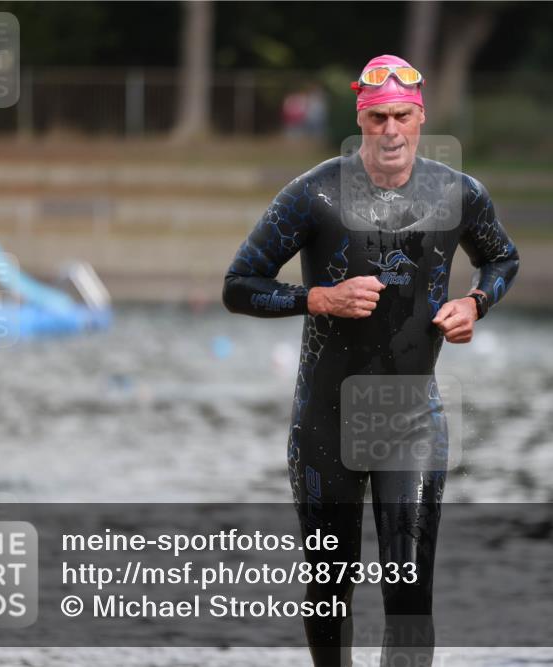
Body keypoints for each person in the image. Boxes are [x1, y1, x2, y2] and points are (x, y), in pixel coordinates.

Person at [223, 54, 519, 666]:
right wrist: (318, 298)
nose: (390, 131)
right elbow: (238, 284)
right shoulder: (314, 196)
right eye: (378, 117)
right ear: (361, 121)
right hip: (324, 426)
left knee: (410, 591)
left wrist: (477, 303)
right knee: (330, 588)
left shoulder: (457, 193)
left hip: (411, 421)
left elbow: (503, 259)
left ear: (420, 119)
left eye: (402, 117)